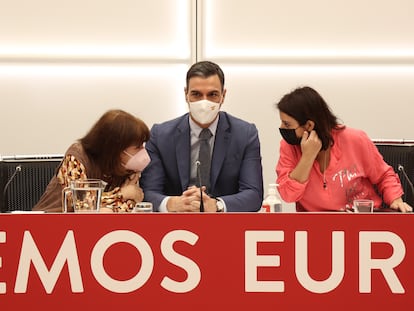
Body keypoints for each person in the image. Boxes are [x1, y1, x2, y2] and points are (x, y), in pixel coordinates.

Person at [140, 60, 263, 212]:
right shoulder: (160, 135)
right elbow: (147, 192)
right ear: (186, 94)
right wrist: (172, 203)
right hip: (173, 224)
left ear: (223, 96)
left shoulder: (245, 134)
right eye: (196, 94)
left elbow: (254, 195)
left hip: (226, 226)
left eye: (212, 94)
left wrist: (216, 205)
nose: (204, 102)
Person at [275, 86, 412, 213]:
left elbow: (383, 175)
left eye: (287, 124)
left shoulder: (355, 139)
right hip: (316, 227)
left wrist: (395, 199)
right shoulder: (288, 147)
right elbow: (288, 195)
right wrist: (307, 157)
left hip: (361, 220)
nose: (281, 128)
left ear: (309, 125)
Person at [33, 109, 151, 213]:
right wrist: (121, 194)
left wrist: (108, 208)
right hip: (50, 223)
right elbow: (80, 205)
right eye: (138, 147)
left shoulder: (128, 167)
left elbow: (130, 204)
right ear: (115, 147)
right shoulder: (76, 157)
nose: (143, 152)